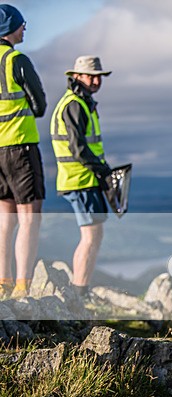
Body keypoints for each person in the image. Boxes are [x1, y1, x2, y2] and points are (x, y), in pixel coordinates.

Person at [50, 56, 113, 298]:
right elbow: (79, 149)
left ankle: (79, 289)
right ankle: (79, 293)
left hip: (82, 179)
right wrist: (102, 170)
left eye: (99, 76)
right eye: (91, 76)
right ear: (77, 76)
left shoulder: (80, 102)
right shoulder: (75, 104)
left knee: (92, 235)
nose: (96, 81)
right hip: (80, 179)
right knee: (91, 236)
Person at [0, 4, 46, 299]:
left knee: (5, 219)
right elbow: (39, 105)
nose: (25, 28)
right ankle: (22, 288)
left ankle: (1, 283)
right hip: (21, 147)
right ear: (9, 28)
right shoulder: (17, 60)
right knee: (30, 218)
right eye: (21, 24)